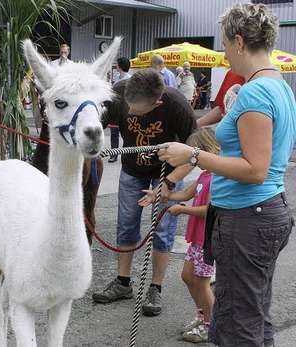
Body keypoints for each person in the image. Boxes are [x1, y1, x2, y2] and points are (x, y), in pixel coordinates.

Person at [157, 4, 296, 346]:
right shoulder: (277, 84)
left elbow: (255, 169)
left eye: (223, 45)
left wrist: (193, 154)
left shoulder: (255, 92)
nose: (223, 55)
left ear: (238, 41)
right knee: (252, 314)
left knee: (237, 325)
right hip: (262, 212)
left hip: (248, 217)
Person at [94, 68, 196, 317]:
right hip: (131, 170)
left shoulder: (177, 106)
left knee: (162, 230)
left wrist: (169, 184)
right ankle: (122, 283)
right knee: (126, 226)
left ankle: (155, 287)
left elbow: (197, 154)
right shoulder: (116, 94)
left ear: (157, 102)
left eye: (138, 111)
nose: (130, 113)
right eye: (129, 107)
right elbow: (93, 127)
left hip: (166, 173)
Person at [139, 127, 219, 343]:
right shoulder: (204, 175)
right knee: (187, 276)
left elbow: (209, 211)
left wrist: (182, 209)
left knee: (202, 283)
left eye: (195, 155)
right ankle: (203, 315)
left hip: (207, 240)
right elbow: (186, 193)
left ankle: (211, 326)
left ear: (208, 150)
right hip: (197, 238)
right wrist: (163, 196)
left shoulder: (218, 178)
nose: (193, 161)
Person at [108, 57, 132, 163]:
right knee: (114, 133)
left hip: (125, 110)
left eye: (117, 65)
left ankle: (127, 154)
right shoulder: (116, 77)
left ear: (120, 66)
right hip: (115, 108)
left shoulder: (130, 80)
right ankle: (114, 154)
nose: (116, 66)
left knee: (126, 133)